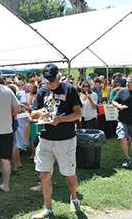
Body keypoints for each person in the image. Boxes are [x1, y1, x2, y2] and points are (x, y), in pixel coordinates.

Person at [30, 64, 82, 218]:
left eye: (52, 80)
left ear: (59, 76)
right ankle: (48, 209)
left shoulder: (70, 89)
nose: (49, 84)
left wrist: (60, 119)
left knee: (69, 174)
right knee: (44, 175)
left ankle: (73, 197)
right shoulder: (42, 91)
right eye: (47, 81)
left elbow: (78, 113)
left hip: (65, 139)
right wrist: (40, 112)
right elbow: (32, 115)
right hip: (45, 138)